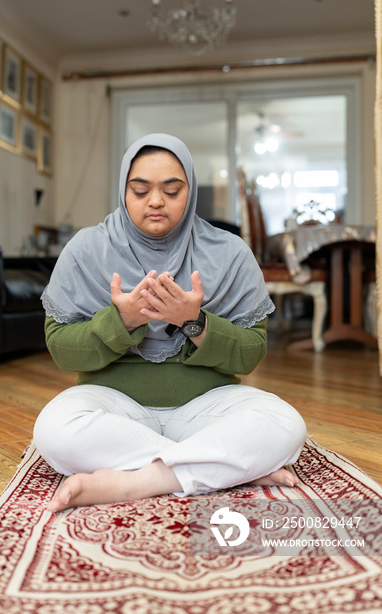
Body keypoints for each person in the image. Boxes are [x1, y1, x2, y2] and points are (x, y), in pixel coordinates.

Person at [34, 133, 307, 512]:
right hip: (114, 406)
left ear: (190, 191)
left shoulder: (229, 253)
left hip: (206, 406)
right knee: (53, 430)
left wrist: (193, 322)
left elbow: (249, 355)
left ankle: (139, 481)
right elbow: (62, 350)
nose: (156, 201)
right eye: (140, 190)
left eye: (172, 190)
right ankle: (223, 465)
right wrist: (122, 321)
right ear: (123, 191)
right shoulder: (86, 250)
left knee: (286, 424)